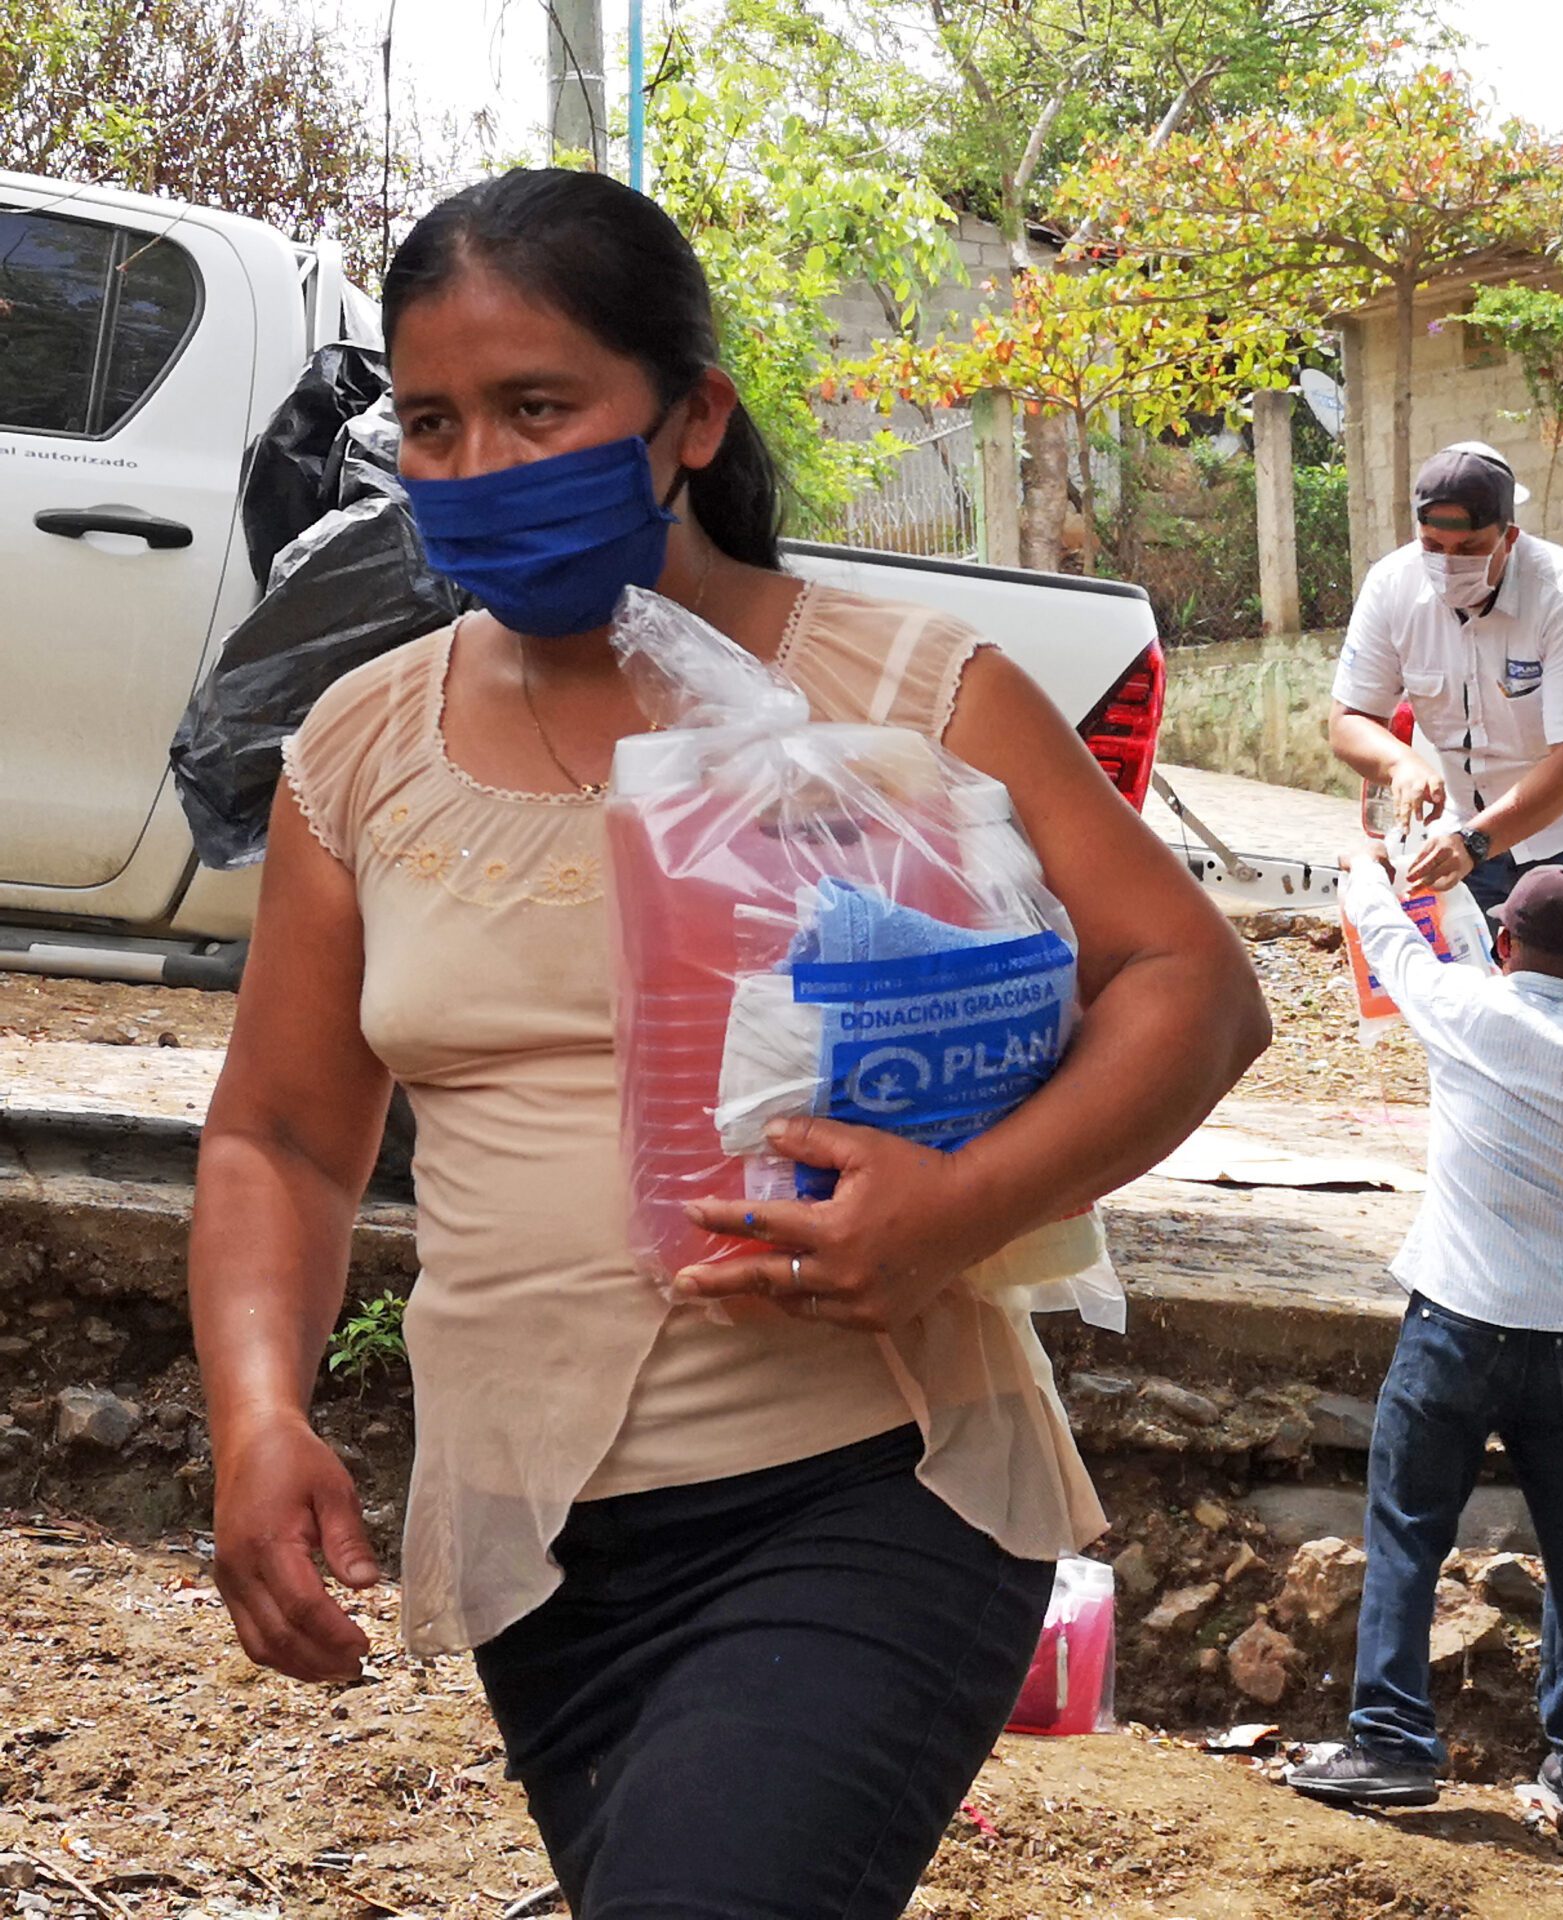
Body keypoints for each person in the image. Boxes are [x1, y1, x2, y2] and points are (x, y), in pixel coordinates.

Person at [188, 168, 1269, 1920]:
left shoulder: (904, 694)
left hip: (869, 1494)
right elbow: (283, 1142)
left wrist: (961, 1206)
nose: (479, 467)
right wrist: (256, 1416)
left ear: (691, 418)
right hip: (541, 1547)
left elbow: (1191, 987)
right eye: (436, 424)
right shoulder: (362, 748)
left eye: (540, 408)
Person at [1288, 853, 1563, 1831]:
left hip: (1451, 1330)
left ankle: (1393, 1744)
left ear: (1504, 942)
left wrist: (1364, 868)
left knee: (1408, 1532)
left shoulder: (1460, 1008)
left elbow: (1387, 936)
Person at [1327, 442, 1563, 1059]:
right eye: (1433, 546)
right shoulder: (1392, 587)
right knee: (1477, 1033)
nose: (1448, 565)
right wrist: (1401, 763)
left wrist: (1476, 842)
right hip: (1468, 833)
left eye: (1470, 549)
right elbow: (1348, 721)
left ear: (1509, 536)